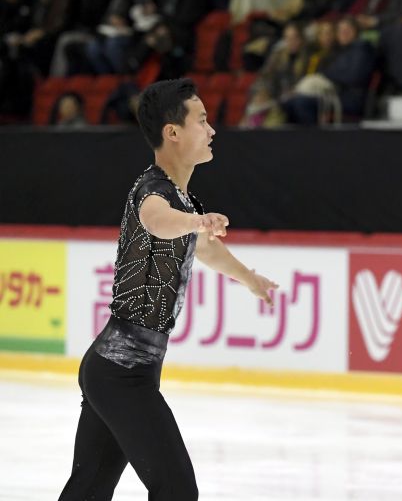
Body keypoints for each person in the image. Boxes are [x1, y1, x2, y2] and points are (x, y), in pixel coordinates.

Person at [58, 79, 279, 500]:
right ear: (172, 132)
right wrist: (196, 223)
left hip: (118, 370)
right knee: (176, 489)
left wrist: (249, 279)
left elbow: (206, 251)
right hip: (121, 374)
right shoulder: (154, 190)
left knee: (88, 490)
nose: (212, 130)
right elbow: (157, 220)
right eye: (202, 120)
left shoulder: (183, 198)